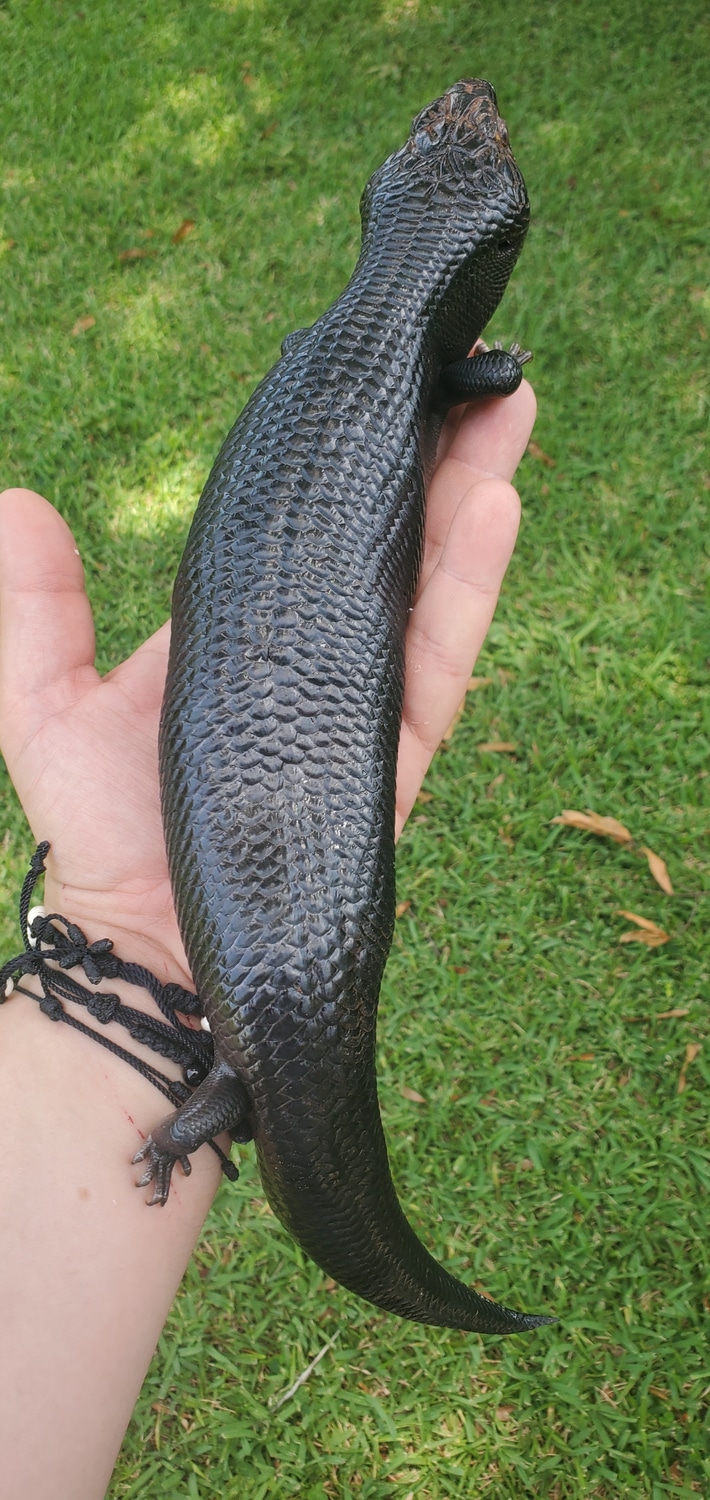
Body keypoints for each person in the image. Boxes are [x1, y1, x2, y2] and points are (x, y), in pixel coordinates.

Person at [0, 379, 535, 1500]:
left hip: (254, 1011)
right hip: (262, 1003)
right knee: (264, 1094)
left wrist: (151, 1121)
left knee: (251, 1089)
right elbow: (229, 1094)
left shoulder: (235, 1087)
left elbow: (223, 1098)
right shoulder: (240, 1084)